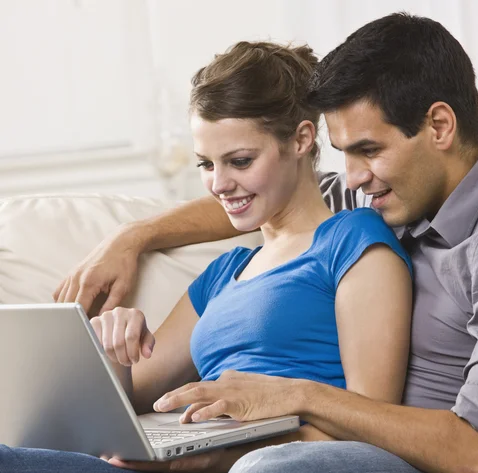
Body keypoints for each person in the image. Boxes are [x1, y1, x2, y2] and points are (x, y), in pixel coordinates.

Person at [49, 12, 478, 473]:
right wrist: (134, 236)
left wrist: (293, 396)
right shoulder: (389, 191)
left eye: (367, 149)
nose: (353, 176)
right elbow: (261, 201)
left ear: (438, 126)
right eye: (343, 153)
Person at [0, 41, 413, 472]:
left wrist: (216, 457)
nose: (219, 184)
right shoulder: (224, 273)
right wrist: (116, 351)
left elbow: (374, 424)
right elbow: (135, 398)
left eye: (239, 161)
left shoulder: (352, 241)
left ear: (301, 140)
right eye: (206, 164)